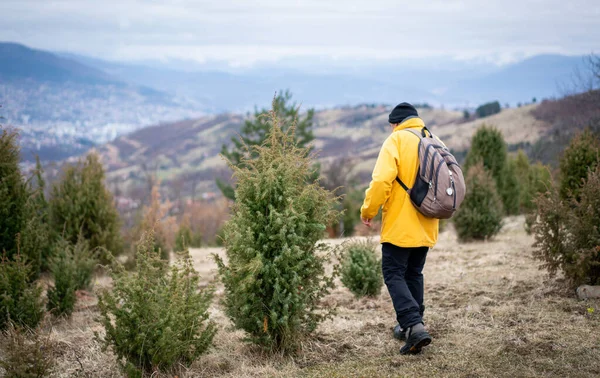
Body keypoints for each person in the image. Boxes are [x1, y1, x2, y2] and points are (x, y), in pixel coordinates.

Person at [360, 102, 438, 355]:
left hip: (401, 223)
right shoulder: (433, 139)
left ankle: (413, 325)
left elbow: (382, 180)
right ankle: (413, 325)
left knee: (393, 272)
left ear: (395, 123)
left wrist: (368, 211)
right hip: (427, 220)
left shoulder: (396, 140)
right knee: (414, 273)